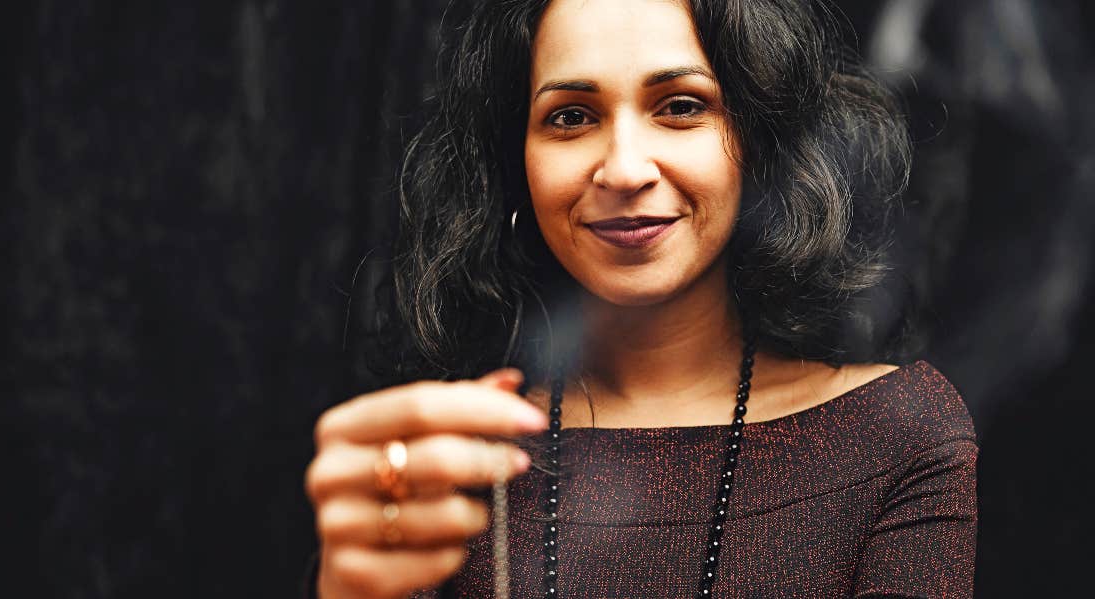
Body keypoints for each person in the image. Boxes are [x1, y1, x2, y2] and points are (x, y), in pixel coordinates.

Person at [304, 0, 977, 597]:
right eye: (570, 117)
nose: (625, 169)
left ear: (758, 136)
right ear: (516, 163)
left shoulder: (895, 434)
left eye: (681, 106)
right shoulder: (446, 456)